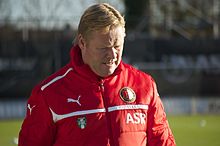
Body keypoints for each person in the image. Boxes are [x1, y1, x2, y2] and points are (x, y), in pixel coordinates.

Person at [18, 3, 176, 146]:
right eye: (104, 48)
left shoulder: (144, 85)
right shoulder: (48, 94)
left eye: (117, 46)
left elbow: (163, 142)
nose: (112, 54)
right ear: (82, 42)